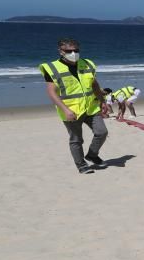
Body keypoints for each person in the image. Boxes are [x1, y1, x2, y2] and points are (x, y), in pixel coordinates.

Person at [40, 38, 108, 174]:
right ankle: (81, 165)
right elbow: (51, 92)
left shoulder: (87, 64)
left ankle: (92, 155)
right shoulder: (52, 68)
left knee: (102, 132)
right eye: (69, 51)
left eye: (76, 50)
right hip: (71, 110)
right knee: (76, 140)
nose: (73, 53)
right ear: (60, 51)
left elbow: (94, 84)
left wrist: (102, 101)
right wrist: (65, 109)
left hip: (91, 107)